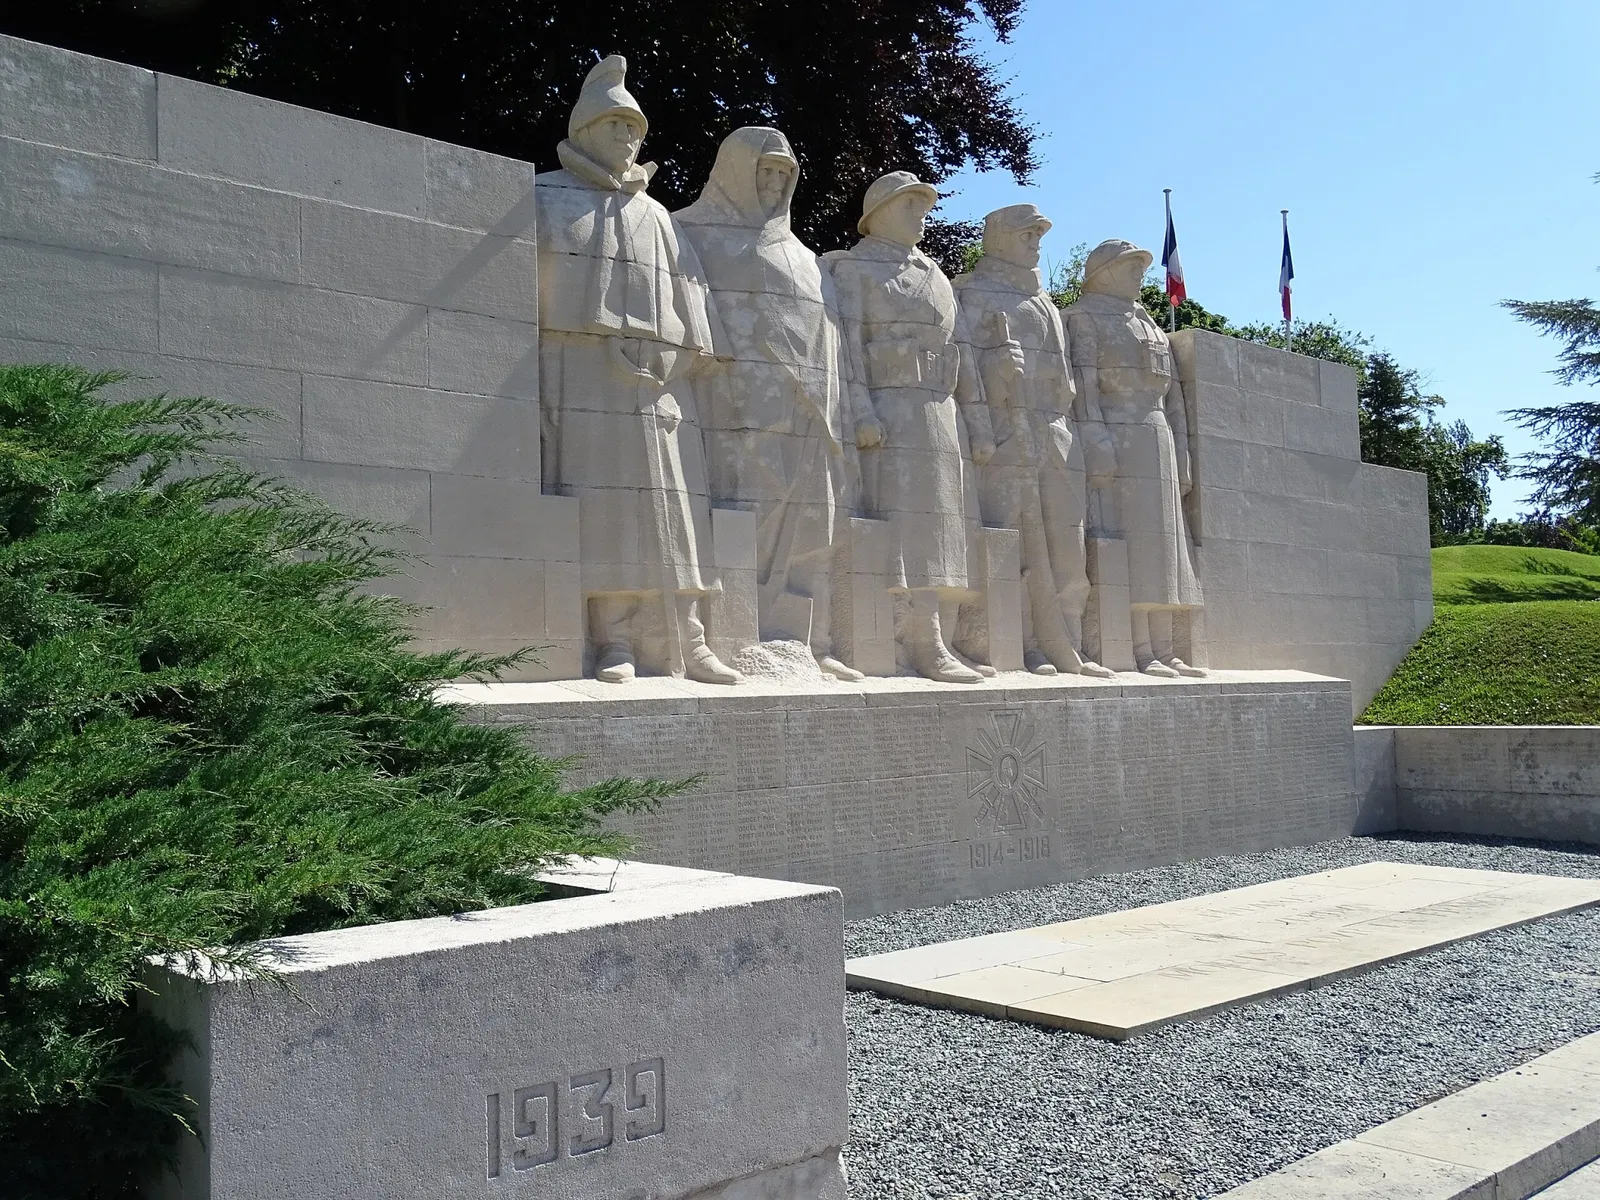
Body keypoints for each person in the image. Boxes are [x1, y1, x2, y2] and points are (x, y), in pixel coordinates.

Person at [535, 55, 741, 684]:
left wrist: (675, 355)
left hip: (661, 381)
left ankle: (693, 637)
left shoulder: (656, 215)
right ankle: (616, 639)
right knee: (606, 507)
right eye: (616, 125)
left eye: (635, 128)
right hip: (585, 373)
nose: (629, 138)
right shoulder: (544, 196)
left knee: (679, 507)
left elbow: (690, 303)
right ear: (587, 128)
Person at [675, 126, 863, 680]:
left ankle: (808, 641)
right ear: (735, 169)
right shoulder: (690, 232)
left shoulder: (807, 258)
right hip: (735, 408)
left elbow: (832, 338)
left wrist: (840, 407)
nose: (777, 182)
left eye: (786, 173)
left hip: (810, 413)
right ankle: (733, 636)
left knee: (810, 526)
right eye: (766, 171)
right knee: (743, 517)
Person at [826, 171, 997, 683]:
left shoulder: (938, 275)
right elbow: (846, 348)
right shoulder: (854, 271)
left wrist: (979, 423)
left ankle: (933, 635)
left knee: (942, 529)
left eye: (924, 206)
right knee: (900, 529)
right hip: (891, 408)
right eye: (909, 205)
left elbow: (962, 353)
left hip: (939, 413)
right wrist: (861, 411)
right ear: (877, 212)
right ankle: (909, 639)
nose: (921, 215)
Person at [955, 204, 1116, 677]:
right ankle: (1023, 643)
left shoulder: (1044, 300)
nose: (1036, 242)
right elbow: (961, 367)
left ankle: (1067, 641)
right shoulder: (972, 294)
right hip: (1008, 428)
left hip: (1054, 430)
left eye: (1038, 235)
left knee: (1068, 544)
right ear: (998, 238)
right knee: (1015, 542)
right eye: (1026, 234)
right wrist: (997, 374)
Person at [1063, 239, 1206, 677]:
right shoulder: (1081, 319)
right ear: (1103, 272)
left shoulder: (1149, 324)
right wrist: (1094, 437)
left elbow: (1175, 399)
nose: (1138, 274)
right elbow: (1084, 388)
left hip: (1156, 436)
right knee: (1133, 546)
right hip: (1118, 438)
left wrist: (1181, 452)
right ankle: (1139, 648)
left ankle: (1164, 647)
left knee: (1166, 551)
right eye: (1129, 267)